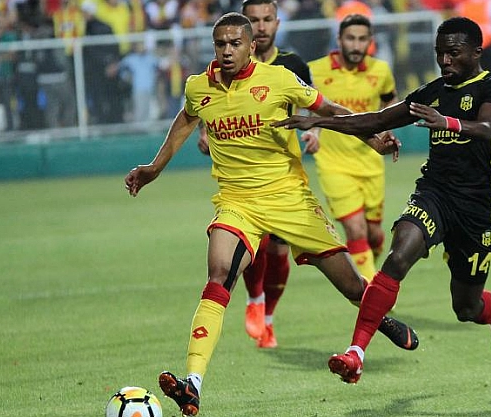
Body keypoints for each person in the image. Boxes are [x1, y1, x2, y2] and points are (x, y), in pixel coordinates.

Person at [124, 13, 418, 416]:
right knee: (218, 274)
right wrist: (154, 168)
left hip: (290, 199)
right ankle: (193, 384)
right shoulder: (199, 87)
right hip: (237, 202)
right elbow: (187, 118)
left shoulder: (278, 79)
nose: (227, 51)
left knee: (351, 286)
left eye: (235, 44)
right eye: (220, 44)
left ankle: (378, 318)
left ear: (251, 46)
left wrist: (372, 139)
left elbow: (328, 108)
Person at [274, 16, 491, 384]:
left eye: (453, 53)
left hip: (475, 208)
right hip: (434, 193)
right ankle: (355, 354)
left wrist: (447, 123)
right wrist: (318, 122)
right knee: (398, 256)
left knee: (466, 307)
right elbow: (374, 121)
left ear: (476, 52)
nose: (445, 60)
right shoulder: (434, 91)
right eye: (440, 53)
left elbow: (487, 128)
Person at [197, 0, 317, 350]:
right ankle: (254, 298)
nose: (261, 26)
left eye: (267, 19)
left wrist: (315, 132)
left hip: (282, 173)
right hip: (243, 181)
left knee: (279, 252)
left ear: (277, 23)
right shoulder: (222, 67)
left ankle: (268, 316)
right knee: (254, 246)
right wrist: (205, 134)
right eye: (254, 20)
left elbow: (313, 107)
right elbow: (206, 107)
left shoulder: (292, 65)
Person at [308, 13, 398, 284]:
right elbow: (308, 106)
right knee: (355, 230)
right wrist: (314, 131)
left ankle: (370, 265)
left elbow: (390, 98)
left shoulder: (380, 71)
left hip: (370, 161)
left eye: (362, 39)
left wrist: (388, 124)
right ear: (339, 40)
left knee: (374, 235)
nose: (356, 45)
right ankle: (372, 294)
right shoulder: (315, 70)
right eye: (350, 38)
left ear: (370, 41)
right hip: (333, 163)